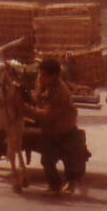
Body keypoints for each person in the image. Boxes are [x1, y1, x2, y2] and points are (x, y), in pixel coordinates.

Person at [27, 58, 86, 196]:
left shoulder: (59, 92)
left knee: (68, 159)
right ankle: (55, 186)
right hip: (50, 129)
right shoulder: (42, 83)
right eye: (39, 74)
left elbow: (46, 114)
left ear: (54, 76)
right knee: (47, 160)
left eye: (44, 75)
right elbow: (36, 99)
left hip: (63, 129)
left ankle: (66, 184)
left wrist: (25, 109)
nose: (40, 77)